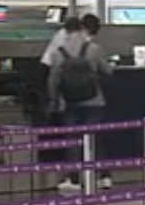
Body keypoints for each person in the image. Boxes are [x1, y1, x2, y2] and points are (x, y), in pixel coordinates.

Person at [47, 17, 113, 194]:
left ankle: (74, 179)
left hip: (71, 103)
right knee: (95, 138)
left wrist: (53, 102)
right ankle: (104, 177)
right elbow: (108, 71)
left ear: (66, 31)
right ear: (81, 29)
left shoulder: (58, 53)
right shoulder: (93, 49)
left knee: (73, 140)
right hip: (95, 101)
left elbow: (53, 82)